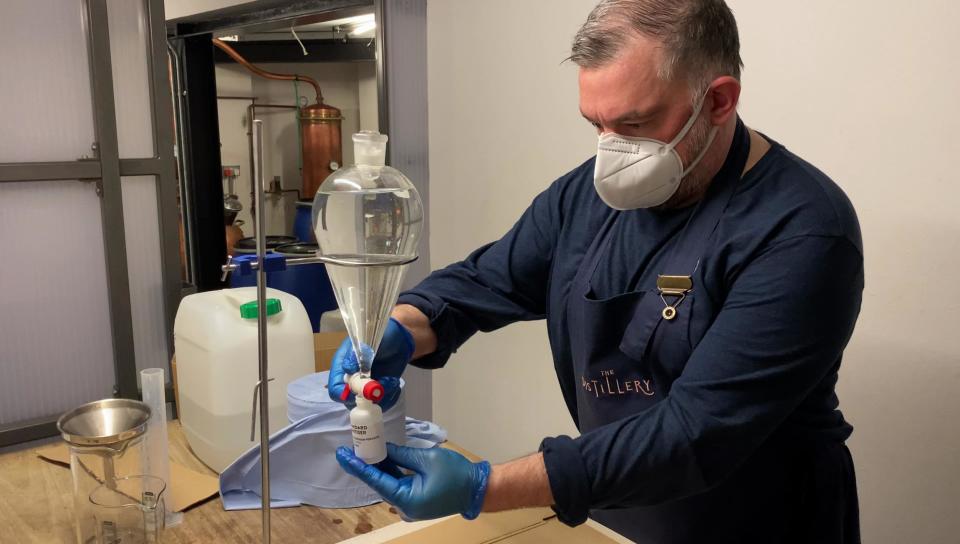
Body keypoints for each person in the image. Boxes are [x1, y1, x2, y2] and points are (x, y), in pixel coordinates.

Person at [330, 0, 863, 542]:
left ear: (719, 101)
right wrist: (402, 326)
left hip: (757, 518)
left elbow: (696, 433)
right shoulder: (582, 199)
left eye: (634, 123)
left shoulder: (802, 228)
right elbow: (487, 281)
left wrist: (480, 487)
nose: (613, 154)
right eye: (597, 125)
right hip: (616, 503)